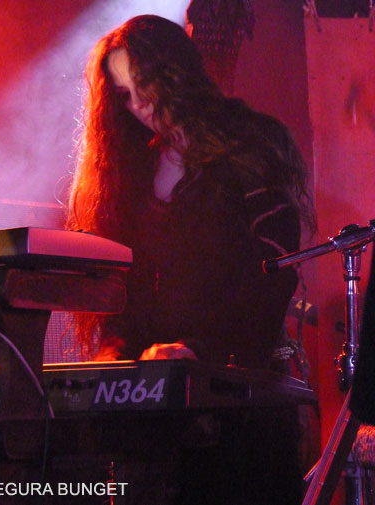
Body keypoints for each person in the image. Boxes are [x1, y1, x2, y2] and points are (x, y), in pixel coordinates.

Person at [67, 14, 314, 505]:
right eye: (124, 95)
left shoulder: (251, 146)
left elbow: (271, 278)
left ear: (176, 74)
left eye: (144, 86)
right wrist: (116, 357)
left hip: (242, 407)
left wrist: (199, 349)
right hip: (155, 420)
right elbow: (117, 289)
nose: (138, 105)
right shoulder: (126, 172)